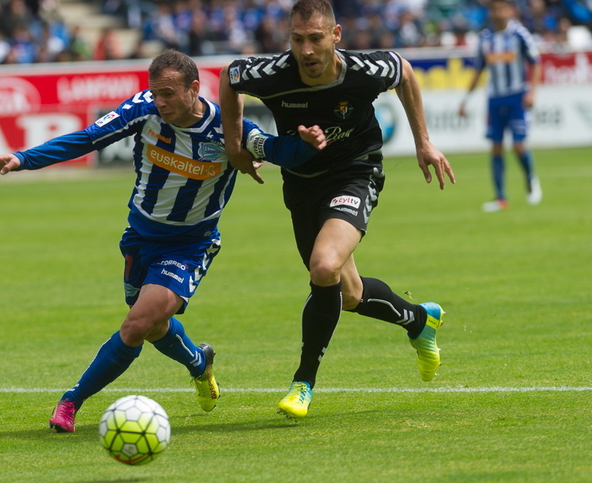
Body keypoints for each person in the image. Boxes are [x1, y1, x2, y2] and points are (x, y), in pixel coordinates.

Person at [0, 49, 326, 433]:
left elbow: (277, 149)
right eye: (155, 93)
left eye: (168, 94)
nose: (160, 102)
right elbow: (89, 138)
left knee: (137, 324)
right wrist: (22, 159)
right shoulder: (143, 110)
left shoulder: (227, 129)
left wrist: (306, 144)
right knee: (156, 326)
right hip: (140, 237)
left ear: (194, 88)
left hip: (191, 244)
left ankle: (71, 402)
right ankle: (198, 361)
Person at [219, 0, 456, 421]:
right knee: (348, 294)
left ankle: (303, 382)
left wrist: (423, 140)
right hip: (302, 185)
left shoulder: (364, 70)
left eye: (314, 39)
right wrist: (235, 146)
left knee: (324, 266)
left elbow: (404, 70)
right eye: (297, 40)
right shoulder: (273, 74)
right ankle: (419, 320)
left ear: (335, 35)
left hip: (355, 173)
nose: (306, 51)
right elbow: (229, 78)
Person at [459, 0, 542, 212]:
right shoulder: (485, 38)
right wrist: (465, 100)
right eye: (494, 9)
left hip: (516, 96)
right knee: (496, 146)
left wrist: (532, 92)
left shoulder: (519, 34)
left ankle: (531, 178)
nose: (498, 13)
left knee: (517, 145)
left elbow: (536, 62)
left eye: (502, 8)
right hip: (494, 98)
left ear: (509, 10)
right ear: (491, 12)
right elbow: (478, 71)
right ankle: (501, 197)